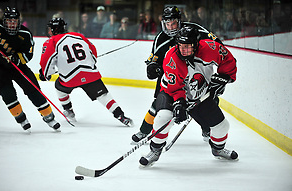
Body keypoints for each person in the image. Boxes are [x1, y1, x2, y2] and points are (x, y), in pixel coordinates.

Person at [139, 25, 238, 167]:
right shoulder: (172, 57)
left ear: (196, 44)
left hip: (200, 96)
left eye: (188, 46)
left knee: (222, 127)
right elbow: (174, 88)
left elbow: (228, 60)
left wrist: (224, 77)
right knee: (164, 118)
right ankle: (155, 151)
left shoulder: (210, 48)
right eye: (181, 46)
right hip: (170, 94)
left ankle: (218, 149)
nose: (183, 50)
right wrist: (179, 103)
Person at [131, 6, 223, 144]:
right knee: (157, 104)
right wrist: (152, 67)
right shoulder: (161, 38)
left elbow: (216, 44)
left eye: (173, 23)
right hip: (171, 77)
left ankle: (207, 128)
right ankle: (144, 131)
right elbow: (153, 60)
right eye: (167, 24)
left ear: (179, 21)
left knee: (208, 101)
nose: (171, 27)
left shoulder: (193, 30)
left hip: (195, 75)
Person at [39, 18, 133, 126]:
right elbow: (93, 51)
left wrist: (46, 74)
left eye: (51, 29)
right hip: (89, 73)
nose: (49, 31)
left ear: (55, 29)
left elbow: (46, 60)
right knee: (103, 95)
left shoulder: (52, 41)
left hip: (70, 78)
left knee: (59, 86)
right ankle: (120, 115)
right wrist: (90, 64)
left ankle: (68, 111)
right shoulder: (79, 35)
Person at [0, 7, 60, 132]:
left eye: (14, 21)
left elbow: (28, 54)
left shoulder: (25, 34)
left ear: (18, 21)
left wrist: (16, 59)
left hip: (18, 67)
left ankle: (49, 117)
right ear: (4, 21)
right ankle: (21, 118)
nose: (12, 24)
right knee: (8, 95)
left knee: (33, 89)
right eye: (9, 21)